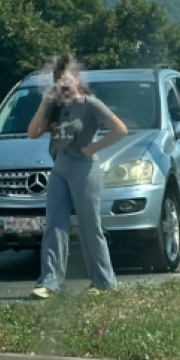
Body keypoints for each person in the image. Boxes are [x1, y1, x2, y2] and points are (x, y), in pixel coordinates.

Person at [27, 54, 128, 299]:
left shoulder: (90, 104)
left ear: (77, 79)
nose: (62, 83)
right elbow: (33, 133)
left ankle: (104, 281)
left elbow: (120, 130)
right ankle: (49, 283)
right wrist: (45, 102)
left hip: (85, 170)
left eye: (65, 78)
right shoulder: (56, 108)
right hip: (60, 168)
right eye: (57, 79)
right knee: (55, 224)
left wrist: (94, 148)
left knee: (89, 225)